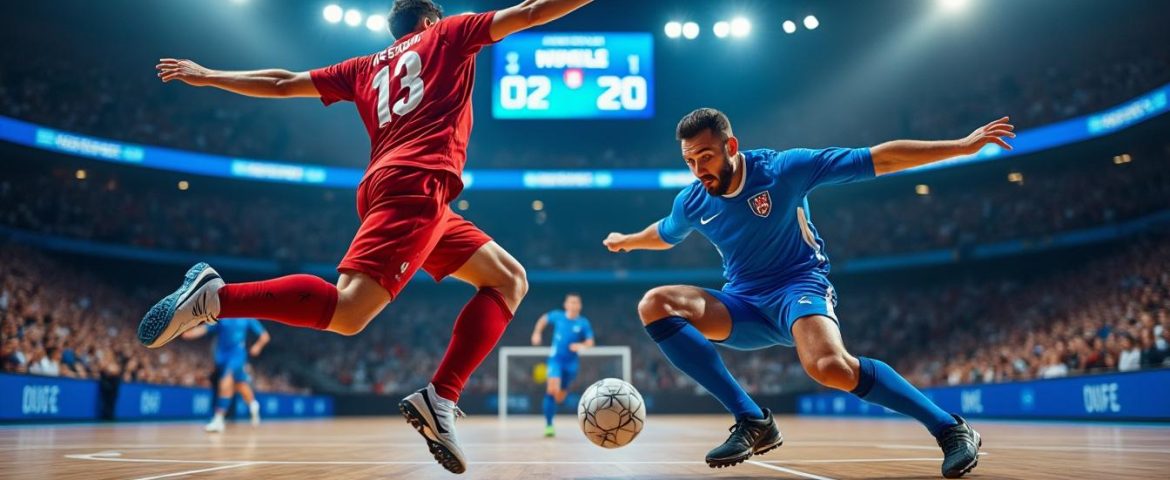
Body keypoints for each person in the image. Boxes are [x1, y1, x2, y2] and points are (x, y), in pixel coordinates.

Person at [140, 0, 593, 473]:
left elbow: (281, 82)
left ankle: (439, 398)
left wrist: (209, 74)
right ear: (430, 20)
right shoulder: (450, 34)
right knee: (349, 312)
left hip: (399, 186)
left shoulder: (363, 66)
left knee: (507, 278)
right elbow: (533, 11)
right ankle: (217, 297)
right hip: (419, 184)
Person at [603, 108, 1014, 478]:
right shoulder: (692, 200)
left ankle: (950, 429)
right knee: (655, 303)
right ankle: (753, 420)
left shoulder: (784, 169)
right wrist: (628, 241)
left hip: (798, 286)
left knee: (831, 368)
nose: (698, 169)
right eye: (689, 160)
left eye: (706, 156)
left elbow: (877, 158)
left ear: (731, 146)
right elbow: (664, 232)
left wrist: (961, 147)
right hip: (743, 304)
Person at [182, 318, 270, 433]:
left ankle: (219, 419)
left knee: (226, 379)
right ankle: (253, 405)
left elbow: (265, 336)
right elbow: (204, 329)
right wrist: (189, 334)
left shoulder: (247, 318)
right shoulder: (222, 318)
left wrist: (257, 346)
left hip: (238, 355)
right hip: (222, 358)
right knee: (240, 385)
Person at [530, 293, 594, 437]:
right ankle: (549, 425)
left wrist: (581, 345)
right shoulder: (558, 316)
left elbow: (590, 342)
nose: (573, 305)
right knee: (552, 389)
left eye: (576, 303)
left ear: (580, 306)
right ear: (566, 305)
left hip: (571, 364)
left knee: (560, 396)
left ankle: (555, 402)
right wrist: (537, 333)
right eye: (571, 302)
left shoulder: (583, 323)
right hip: (556, 360)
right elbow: (543, 319)